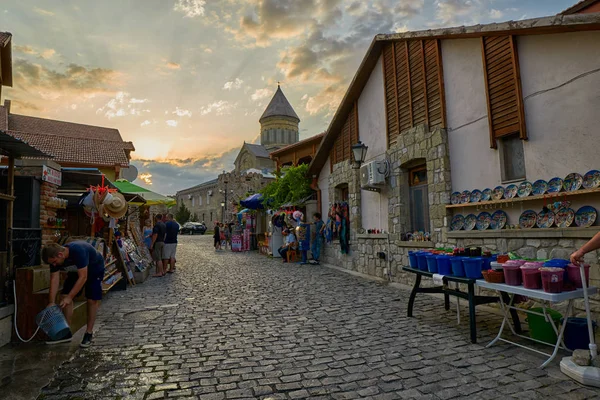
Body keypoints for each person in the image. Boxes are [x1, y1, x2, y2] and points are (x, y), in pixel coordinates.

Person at [42, 241, 105, 347]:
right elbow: (54, 278)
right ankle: (66, 332)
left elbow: (83, 277)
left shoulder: (78, 251)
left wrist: (70, 297)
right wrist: (51, 302)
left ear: (60, 255)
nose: (54, 265)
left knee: (92, 300)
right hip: (76, 271)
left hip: (94, 269)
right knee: (64, 296)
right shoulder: (55, 259)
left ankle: (88, 333)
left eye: (54, 262)